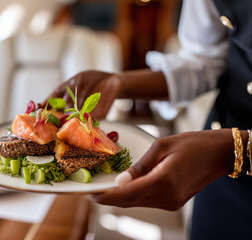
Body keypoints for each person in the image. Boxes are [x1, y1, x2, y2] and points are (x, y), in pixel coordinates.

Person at [46, 0, 252, 239]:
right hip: (224, 176)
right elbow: (203, 60)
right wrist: (119, 82)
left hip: (219, 155)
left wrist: (235, 151)